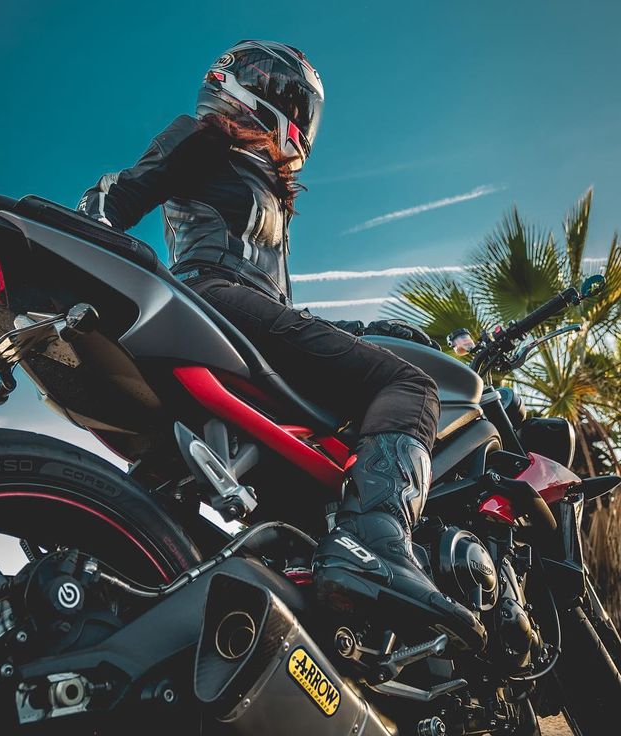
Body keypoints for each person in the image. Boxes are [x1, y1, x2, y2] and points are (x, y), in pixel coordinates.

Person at [77, 39, 485, 650]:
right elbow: (111, 203)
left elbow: (279, 311)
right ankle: (373, 541)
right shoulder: (203, 139)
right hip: (218, 301)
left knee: (354, 410)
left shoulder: (255, 180)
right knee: (409, 385)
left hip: (238, 312)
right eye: (277, 87)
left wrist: (373, 333)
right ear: (241, 85)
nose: (292, 111)